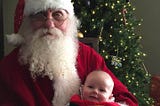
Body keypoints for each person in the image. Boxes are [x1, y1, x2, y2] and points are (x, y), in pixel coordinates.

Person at [0, 0, 138, 106]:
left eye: (58, 15)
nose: (49, 24)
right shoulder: (9, 67)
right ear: (29, 21)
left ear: (70, 21)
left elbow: (126, 98)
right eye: (40, 15)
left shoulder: (87, 55)